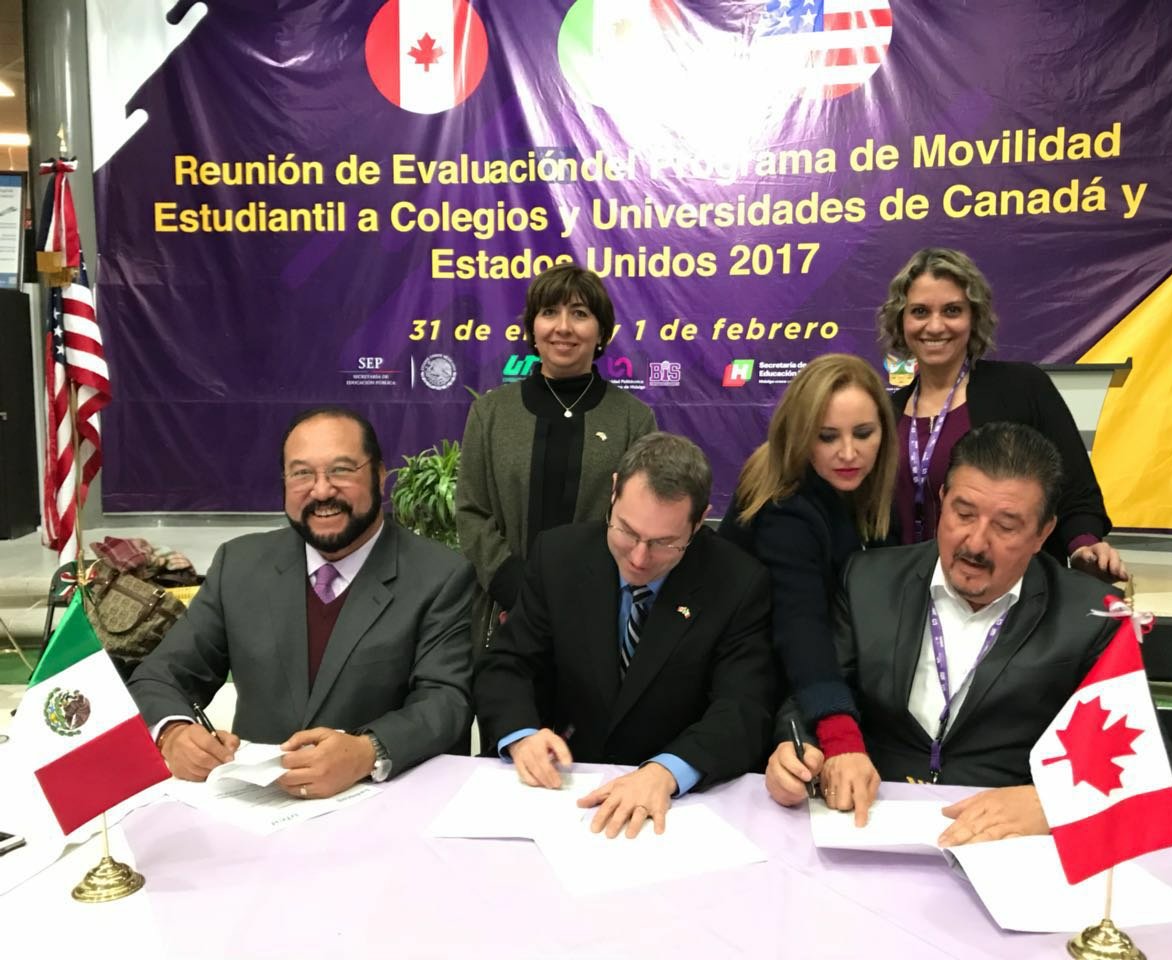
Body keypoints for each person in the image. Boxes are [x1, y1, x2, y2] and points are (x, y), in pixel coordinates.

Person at [765, 422, 1126, 846]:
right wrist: (797, 753)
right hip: (871, 819)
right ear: (941, 501)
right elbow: (812, 694)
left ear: (1043, 533)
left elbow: (1136, 755)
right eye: (963, 514)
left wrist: (1052, 803)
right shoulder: (869, 580)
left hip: (1006, 838)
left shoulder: (1091, 615)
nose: (975, 543)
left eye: (1006, 526)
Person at [127, 406, 475, 798]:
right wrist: (173, 733)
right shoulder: (239, 565)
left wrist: (368, 752)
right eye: (302, 474)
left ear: (379, 476)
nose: (321, 491)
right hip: (257, 806)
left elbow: (446, 701)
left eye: (341, 470)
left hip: (385, 804)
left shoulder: (440, 575)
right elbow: (160, 675)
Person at [473, 432, 775, 839]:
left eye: (664, 543)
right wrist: (522, 736)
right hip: (564, 788)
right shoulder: (559, 556)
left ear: (699, 520)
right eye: (627, 531)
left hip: (675, 810)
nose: (639, 558)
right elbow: (508, 664)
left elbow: (742, 708)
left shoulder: (737, 582)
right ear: (614, 491)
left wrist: (668, 771)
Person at [718, 354, 896, 825]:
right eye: (827, 436)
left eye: (863, 433)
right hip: (756, 694)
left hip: (811, 683)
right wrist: (840, 734)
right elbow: (801, 628)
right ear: (799, 436)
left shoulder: (869, 494)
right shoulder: (785, 508)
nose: (849, 453)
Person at [877, 247, 1127, 583]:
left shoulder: (1022, 388)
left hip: (1009, 593)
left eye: (952, 310)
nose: (935, 326)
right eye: (920, 311)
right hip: (909, 593)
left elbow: (1075, 490)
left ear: (974, 318)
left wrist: (1083, 545)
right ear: (901, 321)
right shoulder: (887, 414)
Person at [457, 262, 657, 651]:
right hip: (505, 610)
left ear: (601, 331)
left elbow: (641, 520)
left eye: (579, 314)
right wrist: (514, 586)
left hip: (598, 612)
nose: (563, 327)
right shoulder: (491, 413)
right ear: (533, 328)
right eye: (549, 312)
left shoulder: (634, 419)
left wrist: (580, 596)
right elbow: (471, 512)